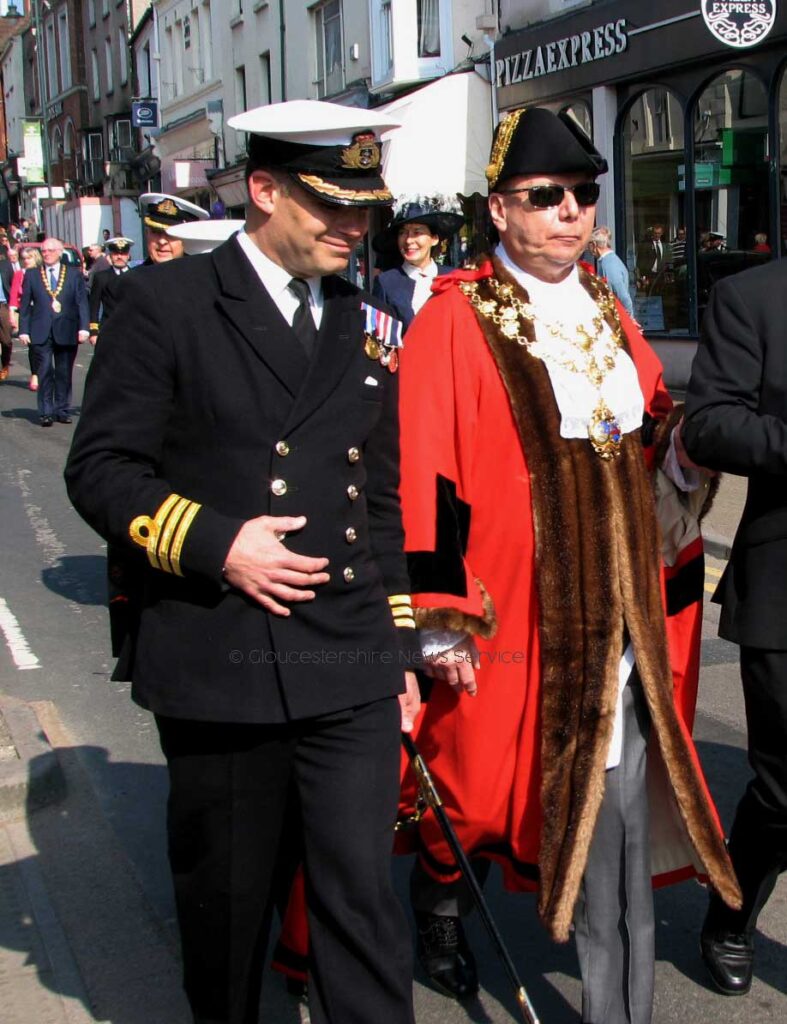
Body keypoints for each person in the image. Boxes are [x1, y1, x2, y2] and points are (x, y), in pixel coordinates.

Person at [64, 99, 421, 1024]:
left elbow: (375, 503)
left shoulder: (367, 320)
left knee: (361, 906)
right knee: (226, 911)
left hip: (344, 654)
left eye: (364, 209)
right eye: (331, 207)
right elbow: (101, 471)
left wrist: (399, 655)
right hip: (221, 656)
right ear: (262, 191)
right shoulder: (166, 303)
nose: (355, 228)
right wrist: (219, 543)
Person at [394, 106, 740, 1023]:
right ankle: (439, 904)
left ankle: (618, 1011)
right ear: (499, 210)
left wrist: (687, 450)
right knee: (467, 798)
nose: (568, 213)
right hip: (513, 617)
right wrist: (438, 617)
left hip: (620, 617)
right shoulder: (453, 319)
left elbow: (653, 434)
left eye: (583, 195)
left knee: (615, 835)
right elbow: (424, 474)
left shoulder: (604, 306)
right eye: (543, 197)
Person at [683, 258, 787, 997]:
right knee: (785, 791)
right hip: (784, 587)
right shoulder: (750, 297)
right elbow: (711, 422)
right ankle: (729, 912)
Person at [18, 237, 88, 425]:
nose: (46, 253)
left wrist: (84, 328)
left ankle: (62, 409)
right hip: (41, 330)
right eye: (44, 251)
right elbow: (24, 305)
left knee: (64, 372)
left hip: (67, 329)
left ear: (59, 252)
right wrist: (23, 330)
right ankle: (46, 412)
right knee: (45, 371)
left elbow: (82, 302)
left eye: (49, 250)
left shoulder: (73, 274)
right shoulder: (32, 275)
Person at [371, 195, 464, 330]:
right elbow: (379, 336)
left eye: (417, 232)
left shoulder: (454, 277)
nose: (409, 240)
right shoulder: (386, 282)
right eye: (403, 233)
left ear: (434, 239)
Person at [138, 192, 210, 264]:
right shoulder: (132, 275)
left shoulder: (203, 274)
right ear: (147, 233)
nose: (162, 241)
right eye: (155, 231)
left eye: (171, 234)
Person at [88, 237, 134, 343]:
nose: (119, 257)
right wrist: (94, 331)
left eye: (123, 254)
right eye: (116, 254)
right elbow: (94, 305)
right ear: (110, 256)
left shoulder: (136, 275)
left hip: (133, 328)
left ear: (128, 256)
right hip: (109, 328)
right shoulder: (101, 277)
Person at [9, 245, 42, 390]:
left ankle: (46, 372)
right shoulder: (19, 273)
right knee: (33, 345)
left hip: (43, 311)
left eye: (29, 258)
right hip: (28, 311)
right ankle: (35, 374)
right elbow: (14, 294)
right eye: (24, 258)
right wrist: (12, 313)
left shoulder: (43, 272)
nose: (26, 261)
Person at [589, 225, 634, 316]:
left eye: (588, 244)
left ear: (594, 244)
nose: (587, 248)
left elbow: (624, 298)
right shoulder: (608, 261)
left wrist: (629, 323)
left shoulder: (610, 265)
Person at [636, 223, 668, 287]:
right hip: (650, 275)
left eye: (659, 233)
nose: (657, 235)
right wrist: (643, 276)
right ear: (652, 233)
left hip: (661, 275)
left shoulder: (665, 244)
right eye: (655, 233)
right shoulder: (646, 244)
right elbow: (641, 260)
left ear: (661, 233)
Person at [0, 251, 13, 381]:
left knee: (6, 340)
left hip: (3, 305)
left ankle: (5, 365)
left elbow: (13, 285)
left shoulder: (5, 265)